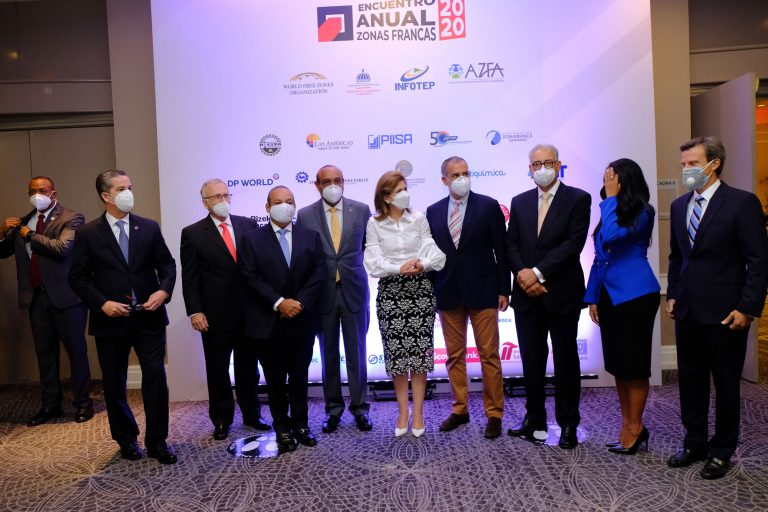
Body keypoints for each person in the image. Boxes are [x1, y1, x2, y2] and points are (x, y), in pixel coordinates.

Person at [666, 136, 768, 479]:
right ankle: (694, 442)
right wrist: (673, 294)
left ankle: (722, 450)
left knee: (725, 384)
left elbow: (758, 261)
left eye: (693, 164)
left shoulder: (742, 203)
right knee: (690, 382)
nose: (687, 170)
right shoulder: (679, 206)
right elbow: (677, 257)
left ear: (714, 164)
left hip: (727, 312)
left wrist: (748, 308)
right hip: (687, 311)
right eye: (684, 164)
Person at [69, 170, 177, 464]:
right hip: (110, 320)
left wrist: (163, 292)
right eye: (121, 189)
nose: (128, 193)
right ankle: (126, 439)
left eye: (129, 186)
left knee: (155, 377)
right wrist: (102, 304)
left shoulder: (149, 227)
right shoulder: (88, 233)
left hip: (149, 317)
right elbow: (78, 278)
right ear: (106, 196)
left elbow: (167, 266)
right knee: (114, 383)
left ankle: (158, 441)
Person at [505, 143, 591, 449]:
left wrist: (538, 273)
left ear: (558, 165)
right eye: (536, 164)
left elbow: (573, 244)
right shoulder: (519, 201)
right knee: (531, 360)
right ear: (530, 169)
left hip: (561, 292)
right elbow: (511, 244)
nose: (542, 168)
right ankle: (535, 419)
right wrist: (523, 274)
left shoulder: (578, 198)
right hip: (526, 295)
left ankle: (568, 423)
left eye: (548, 162)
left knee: (566, 360)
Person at [425, 156, 510, 439]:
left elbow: (501, 250)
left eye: (465, 173)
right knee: (454, 355)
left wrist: (504, 289)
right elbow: (431, 256)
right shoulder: (433, 211)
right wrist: (431, 292)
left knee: (489, 355)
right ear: (444, 180)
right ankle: (460, 409)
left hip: (484, 291)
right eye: (455, 175)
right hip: (447, 291)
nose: (462, 178)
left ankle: (494, 413)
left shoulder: (488, 205)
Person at [180, 178, 270, 441]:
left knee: (248, 368)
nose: (222, 201)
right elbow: (190, 277)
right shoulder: (193, 233)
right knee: (217, 370)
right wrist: (195, 311)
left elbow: (257, 268)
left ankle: (252, 415)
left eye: (225, 195)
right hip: (215, 315)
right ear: (205, 202)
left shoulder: (248, 225)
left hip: (248, 312)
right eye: (216, 197)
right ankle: (221, 419)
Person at [0, 176, 93, 426]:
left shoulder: (71, 217)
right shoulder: (23, 221)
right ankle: (51, 405)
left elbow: (62, 248)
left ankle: (83, 403)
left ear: (54, 193)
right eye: (32, 191)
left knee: (76, 352)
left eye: (42, 190)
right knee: (45, 355)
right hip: (36, 297)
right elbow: (2, 252)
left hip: (67, 297)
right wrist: (2, 231)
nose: (37, 195)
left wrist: (30, 235)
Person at [239, 186, 325, 454]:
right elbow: (249, 276)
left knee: (300, 377)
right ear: (267, 207)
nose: (284, 206)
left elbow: (319, 273)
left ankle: (301, 425)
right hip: (269, 322)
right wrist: (279, 302)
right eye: (278, 202)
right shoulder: (251, 239)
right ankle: (282, 427)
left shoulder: (310, 237)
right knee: (275, 379)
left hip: (302, 319)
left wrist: (300, 302)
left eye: (289, 201)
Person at [583, 159, 660, 455]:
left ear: (625, 180)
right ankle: (628, 425)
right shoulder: (610, 210)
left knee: (634, 366)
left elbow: (615, 236)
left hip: (636, 295)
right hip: (609, 296)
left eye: (612, 178)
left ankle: (635, 427)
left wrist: (611, 199)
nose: (607, 183)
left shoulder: (643, 211)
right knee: (618, 365)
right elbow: (599, 257)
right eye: (606, 178)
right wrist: (592, 297)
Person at [364, 171, 446, 438]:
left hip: (420, 292)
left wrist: (422, 264)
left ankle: (419, 412)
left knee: (420, 357)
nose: (405, 194)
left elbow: (435, 254)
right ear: (387, 197)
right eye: (399, 190)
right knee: (397, 358)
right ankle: (403, 412)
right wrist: (398, 268)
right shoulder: (374, 224)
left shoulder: (418, 218)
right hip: (391, 294)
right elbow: (372, 263)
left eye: (405, 188)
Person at [296, 165, 373, 433]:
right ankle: (333, 410)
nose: (332, 185)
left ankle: (360, 409)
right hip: (322, 296)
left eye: (337, 180)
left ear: (344, 182)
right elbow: (304, 255)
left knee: (357, 354)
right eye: (326, 181)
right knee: (328, 354)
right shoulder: (304, 215)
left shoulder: (361, 210)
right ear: (317, 185)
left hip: (354, 291)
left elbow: (370, 248)